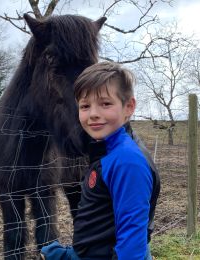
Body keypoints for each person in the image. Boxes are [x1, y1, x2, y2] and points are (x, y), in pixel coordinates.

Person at [40, 61, 160, 260]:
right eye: (85, 106)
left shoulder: (127, 162)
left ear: (129, 106)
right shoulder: (106, 150)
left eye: (105, 103)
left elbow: (131, 247)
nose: (93, 114)